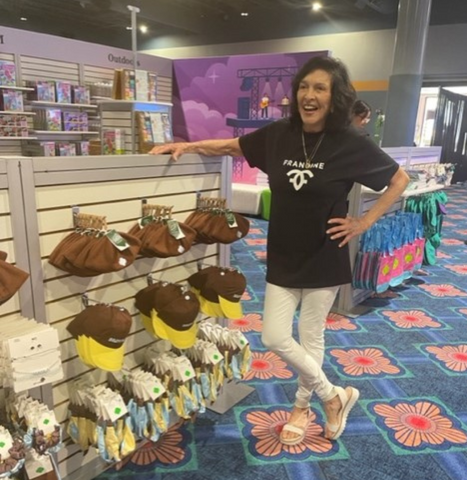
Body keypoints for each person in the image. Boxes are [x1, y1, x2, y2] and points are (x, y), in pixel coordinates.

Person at [150, 56, 409, 445]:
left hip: (326, 252)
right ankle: (334, 396)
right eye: (304, 87)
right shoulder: (280, 134)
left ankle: (302, 410)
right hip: (284, 254)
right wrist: (188, 145)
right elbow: (232, 145)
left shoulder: (350, 142)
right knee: (273, 336)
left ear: (335, 96)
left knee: (311, 338)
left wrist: (363, 222)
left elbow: (399, 179)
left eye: (320, 88)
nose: (309, 95)